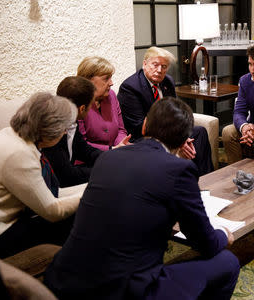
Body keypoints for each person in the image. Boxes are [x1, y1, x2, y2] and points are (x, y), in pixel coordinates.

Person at [44, 97, 240, 300]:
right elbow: (204, 242)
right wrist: (223, 235)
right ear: (184, 141)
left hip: (63, 280)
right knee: (228, 262)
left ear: (145, 126)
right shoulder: (180, 170)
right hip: (123, 290)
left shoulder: (108, 158)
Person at [0, 92, 86, 258]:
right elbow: (52, 211)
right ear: (50, 129)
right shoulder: (18, 153)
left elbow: (48, 194)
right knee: (77, 218)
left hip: (1, 221)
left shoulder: (13, 136)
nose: (64, 134)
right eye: (63, 129)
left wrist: (89, 189)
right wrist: (91, 192)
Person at [117, 46, 214, 176]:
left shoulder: (167, 81)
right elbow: (139, 127)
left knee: (199, 132)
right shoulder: (130, 87)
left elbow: (176, 114)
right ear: (145, 64)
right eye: (155, 65)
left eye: (164, 66)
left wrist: (182, 136)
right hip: (143, 137)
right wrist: (177, 139)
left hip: (168, 132)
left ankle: (205, 178)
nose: (159, 70)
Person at [42, 76, 104, 187]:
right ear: (82, 109)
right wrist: (104, 171)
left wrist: (111, 158)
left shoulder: (72, 121)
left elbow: (85, 151)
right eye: (91, 104)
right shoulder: (53, 131)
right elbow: (66, 176)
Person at [77, 56, 130, 151]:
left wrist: (121, 144)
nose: (111, 83)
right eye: (106, 79)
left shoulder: (111, 95)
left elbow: (120, 130)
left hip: (115, 154)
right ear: (89, 80)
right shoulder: (78, 102)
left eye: (111, 78)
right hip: (88, 161)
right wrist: (111, 149)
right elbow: (81, 144)